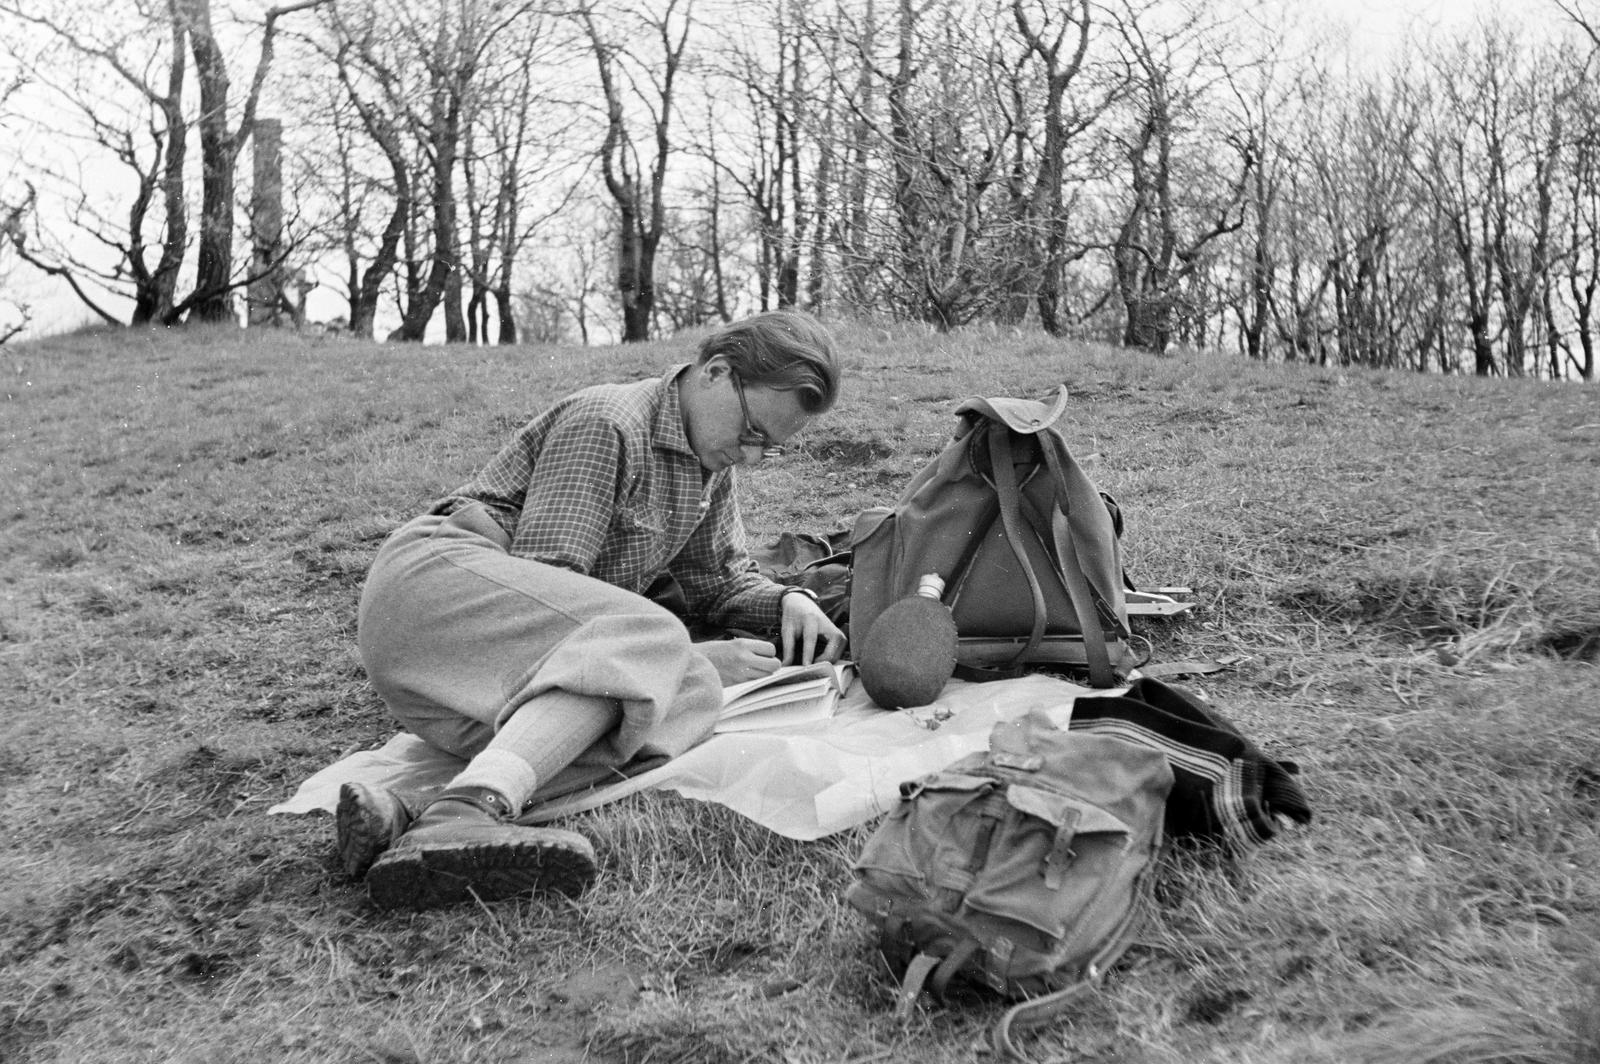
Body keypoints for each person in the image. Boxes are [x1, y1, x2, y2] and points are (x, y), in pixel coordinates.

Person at [336, 310, 847, 910]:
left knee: (689, 697)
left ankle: (435, 812)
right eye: (754, 430)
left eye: (770, 448)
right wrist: (682, 650)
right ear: (715, 371)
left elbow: (717, 582)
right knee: (662, 649)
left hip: (475, 670)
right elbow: (550, 580)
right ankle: (461, 811)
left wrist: (791, 600)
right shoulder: (609, 422)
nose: (752, 456)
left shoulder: (712, 461)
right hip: (435, 590)